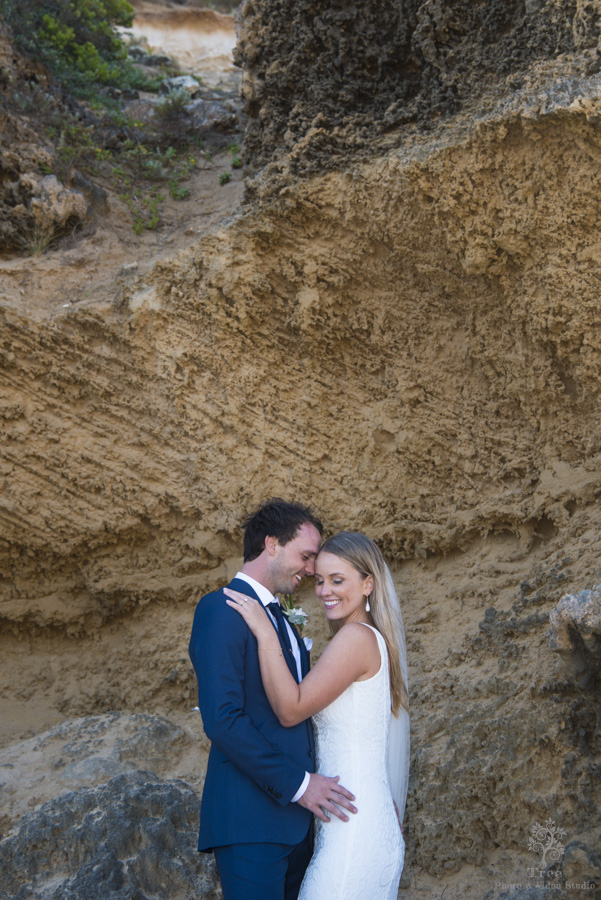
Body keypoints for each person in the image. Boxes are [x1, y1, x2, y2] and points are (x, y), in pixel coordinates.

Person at [224, 530, 410, 900]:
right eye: (320, 580)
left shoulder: (356, 638)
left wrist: (265, 631)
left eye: (338, 580)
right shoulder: (367, 638)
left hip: (352, 830)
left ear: (368, 584)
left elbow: (292, 710)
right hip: (359, 819)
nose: (325, 590)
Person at [188, 500, 358, 900]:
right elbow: (223, 720)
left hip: (297, 823)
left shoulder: (279, 615)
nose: (312, 569)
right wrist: (301, 786)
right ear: (271, 544)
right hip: (251, 822)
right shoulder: (221, 609)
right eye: (306, 555)